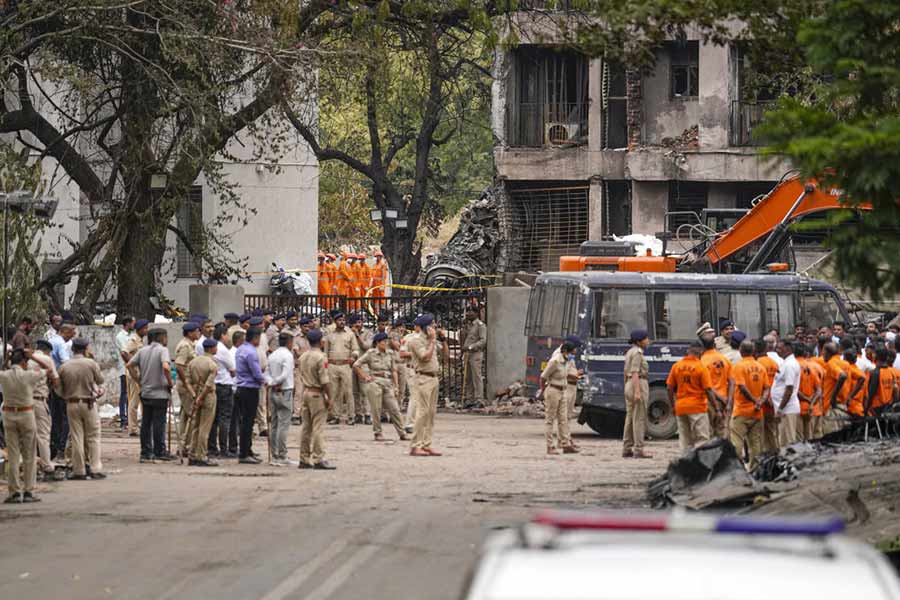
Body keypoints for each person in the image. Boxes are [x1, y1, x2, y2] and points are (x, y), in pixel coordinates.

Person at [1, 348, 55, 503]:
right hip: (26, 414)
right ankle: (29, 490)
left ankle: (15, 492)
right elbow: (48, 369)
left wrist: (8, 359)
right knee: (29, 454)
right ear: (24, 362)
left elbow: (4, 369)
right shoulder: (29, 375)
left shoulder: (4, 376)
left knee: (13, 454)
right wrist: (34, 357)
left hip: (9, 415)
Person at [57, 338, 106, 480]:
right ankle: (95, 468)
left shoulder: (65, 366)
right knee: (93, 436)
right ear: (85, 348)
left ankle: (79, 470)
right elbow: (100, 380)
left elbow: (58, 388)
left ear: (73, 349)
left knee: (76, 437)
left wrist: (66, 395)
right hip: (89, 403)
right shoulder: (91, 364)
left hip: (71, 403)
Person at [127, 329, 174, 462]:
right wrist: (169, 382)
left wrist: (138, 380)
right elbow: (165, 367)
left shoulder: (143, 350)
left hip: (145, 392)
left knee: (146, 423)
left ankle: (146, 451)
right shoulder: (163, 350)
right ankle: (160, 451)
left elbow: (129, 364)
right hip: (159, 393)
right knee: (159, 423)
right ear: (162, 338)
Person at [354, 332, 408, 442]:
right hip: (375, 382)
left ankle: (402, 433)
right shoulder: (371, 353)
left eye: (386, 341)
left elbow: (394, 371)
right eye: (384, 341)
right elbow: (356, 365)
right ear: (377, 343)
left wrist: (396, 386)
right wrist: (365, 377)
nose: (386, 343)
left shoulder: (390, 353)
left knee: (394, 409)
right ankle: (378, 432)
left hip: (387, 383)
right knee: (376, 409)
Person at [408, 314, 447, 457]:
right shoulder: (416, 341)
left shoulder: (433, 340)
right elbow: (425, 357)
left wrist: (442, 340)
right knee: (422, 412)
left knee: (431, 414)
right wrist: (431, 341)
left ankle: (426, 444)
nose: (435, 326)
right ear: (426, 327)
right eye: (433, 324)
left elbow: (446, 356)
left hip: (434, 378)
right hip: (423, 378)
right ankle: (415, 445)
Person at [667, 341, 714, 451]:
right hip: (698, 407)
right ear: (701, 352)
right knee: (701, 439)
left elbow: (669, 388)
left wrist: (673, 405)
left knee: (685, 440)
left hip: (681, 407)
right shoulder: (701, 367)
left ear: (688, 351)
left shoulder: (676, 366)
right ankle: (700, 464)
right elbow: (708, 390)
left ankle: (686, 463)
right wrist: (716, 408)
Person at [728, 340, 768, 470]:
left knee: (737, 442)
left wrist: (755, 401)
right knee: (756, 444)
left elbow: (742, 387)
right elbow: (767, 388)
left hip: (742, 411)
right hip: (757, 412)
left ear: (740, 351)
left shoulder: (739, 367)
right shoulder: (760, 367)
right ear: (753, 351)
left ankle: (738, 470)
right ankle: (754, 470)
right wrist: (760, 402)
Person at [298, 329, 335, 470]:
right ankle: (319, 458)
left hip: (306, 391)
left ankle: (304, 458)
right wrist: (330, 397)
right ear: (321, 341)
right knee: (318, 428)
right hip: (317, 393)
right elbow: (324, 381)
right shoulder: (321, 357)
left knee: (306, 427)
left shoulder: (303, 356)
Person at [539, 339, 580, 456]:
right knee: (550, 420)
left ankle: (565, 443)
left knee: (563, 419)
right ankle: (549, 446)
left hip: (563, 391)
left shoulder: (566, 361)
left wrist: (577, 376)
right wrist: (543, 391)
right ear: (565, 351)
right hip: (553, 390)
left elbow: (566, 374)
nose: (573, 355)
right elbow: (543, 377)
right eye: (572, 353)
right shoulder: (555, 361)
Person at [235, 327, 268, 464]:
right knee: (247, 423)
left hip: (241, 387)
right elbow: (256, 373)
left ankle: (247, 450)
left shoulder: (241, 349)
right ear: (255, 338)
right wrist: (265, 381)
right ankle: (244, 453)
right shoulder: (251, 352)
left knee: (246, 421)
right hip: (250, 388)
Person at [29, 340, 59, 479]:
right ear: (47, 350)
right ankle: (47, 465)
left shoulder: (26, 360)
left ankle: (31, 465)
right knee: (43, 434)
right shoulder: (46, 359)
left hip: (25, 402)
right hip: (40, 400)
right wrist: (49, 389)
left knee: (28, 435)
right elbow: (55, 380)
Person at [697, 322, 733, 439]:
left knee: (709, 432)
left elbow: (707, 386)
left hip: (709, 401)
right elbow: (732, 381)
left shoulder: (702, 362)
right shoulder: (724, 359)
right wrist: (727, 400)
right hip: (724, 400)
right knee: (721, 432)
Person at [186, 338, 219, 467]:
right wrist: (201, 397)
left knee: (195, 426)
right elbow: (209, 385)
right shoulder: (212, 364)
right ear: (211, 348)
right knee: (205, 428)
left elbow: (187, 381)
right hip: (207, 397)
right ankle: (201, 456)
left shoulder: (193, 362)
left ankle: (192, 454)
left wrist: (194, 396)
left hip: (195, 394)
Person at [323, 312, 358, 425]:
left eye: (343, 320)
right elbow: (325, 352)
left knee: (348, 391)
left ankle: (351, 416)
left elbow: (355, 349)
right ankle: (335, 416)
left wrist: (353, 357)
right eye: (339, 320)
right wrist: (326, 366)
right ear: (335, 321)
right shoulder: (329, 335)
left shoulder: (350, 334)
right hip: (332, 365)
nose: (342, 322)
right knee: (333, 392)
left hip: (345, 365)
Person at [267, 332, 296, 465]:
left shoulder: (273, 355)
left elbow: (266, 372)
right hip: (285, 390)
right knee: (283, 425)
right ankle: (282, 455)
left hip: (273, 390)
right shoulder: (288, 355)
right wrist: (277, 381)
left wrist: (272, 382)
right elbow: (286, 373)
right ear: (289, 342)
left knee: (274, 423)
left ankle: (274, 454)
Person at [48, 322, 76, 459]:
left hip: (52, 382)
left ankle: (53, 445)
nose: (74, 335)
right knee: (65, 416)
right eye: (72, 332)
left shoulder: (51, 340)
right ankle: (60, 447)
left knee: (55, 416)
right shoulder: (61, 344)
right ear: (65, 332)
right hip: (61, 382)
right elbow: (66, 362)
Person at [622, 329, 651, 459]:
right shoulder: (638, 353)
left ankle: (627, 447)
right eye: (645, 339)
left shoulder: (629, 352)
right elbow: (635, 372)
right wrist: (638, 391)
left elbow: (625, 371)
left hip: (629, 385)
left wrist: (627, 387)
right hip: (637, 383)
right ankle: (638, 449)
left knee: (629, 418)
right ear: (639, 342)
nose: (648, 341)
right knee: (639, 418)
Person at [208, 323, 236, 458]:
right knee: (224, 418)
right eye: (227, 335)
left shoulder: (212, 348)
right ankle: (224, 448)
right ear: (223, 335)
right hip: (224, 385)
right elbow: (232, 369)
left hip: (214, 385)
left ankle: (212, 447)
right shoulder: (223, 349)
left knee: (213, 418)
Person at [175, 322, 201, 457]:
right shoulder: (185, 346)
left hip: (188, 383)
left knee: (185, 416)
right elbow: (179, 365)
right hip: (186, 385)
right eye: (197, 331)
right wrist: (186, 382)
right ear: (190, 333)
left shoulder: (190, 344)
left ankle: (183, 445)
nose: (199, 333)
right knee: (193, 414)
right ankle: (187, 445)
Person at [122, 318, 150, 437]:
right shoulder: (133, 340)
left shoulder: (141, 341)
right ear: (140, 329)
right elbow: (124, 352)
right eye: (145, 328)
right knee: (134, 402)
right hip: (134, 375)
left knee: (143, 400)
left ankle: (143, 425)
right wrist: (132, 365)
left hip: (141, 374)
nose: (147, 331)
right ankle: (133, 428)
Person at [772, 340, 802, 447]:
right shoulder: (785, 363)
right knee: (783, 441)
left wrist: (780, 409)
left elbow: (789, 389)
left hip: (787, 409)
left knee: (789, 442)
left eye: (780, 348)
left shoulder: (790, 365)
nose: (777, 351)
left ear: (788, 349)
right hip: (784, 409)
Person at [756, 336, 781, 453]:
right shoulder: (775, 363)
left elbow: (759, 384)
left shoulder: (757, 364)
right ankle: (775, 453)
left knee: (761, 434)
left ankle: (766, 455)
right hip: (774, 402)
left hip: (762, 403)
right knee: (772, 431)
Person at [460, 305, 487, 408]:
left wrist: (471, 347)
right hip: (467, 354)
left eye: (470, 312)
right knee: (468, 377)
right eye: (467, 312)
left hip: (475, 353)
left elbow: (483, 340)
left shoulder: (480, 325)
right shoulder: (468, 325)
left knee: (477, 376)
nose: (468, 314)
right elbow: (464, 338)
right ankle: (469, 398)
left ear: (476, 313)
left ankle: (479, 399)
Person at [820, 342, 848, 437]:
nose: (822, 354)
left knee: (831, 437)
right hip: (843, 405)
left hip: (832, 407)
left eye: (823, 351)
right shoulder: (845, 363)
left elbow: (842, 376)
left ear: (827, 352)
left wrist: (833, 397)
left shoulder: (831, 363)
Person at [796, 345, 822, 440]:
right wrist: (811, 402)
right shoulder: (815, 366)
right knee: (812, 439)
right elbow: (819, 390)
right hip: (814, 408)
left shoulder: (793, 366)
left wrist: (806, 399)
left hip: (798, 408)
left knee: (799, 439)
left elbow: (794, 389)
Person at [115, 316, 135, 432]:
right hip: (125, 368)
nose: (134, 325)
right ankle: (123, 419)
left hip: (132, 367)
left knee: (131, 394)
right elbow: (125, 351)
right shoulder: (120, 336)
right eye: (133, 323)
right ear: (127, 324)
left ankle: (130, 418)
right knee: (124, 394)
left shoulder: (131, 335)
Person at [227, 330, 245, 456]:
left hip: (236, 387)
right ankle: (233, 446)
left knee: (237, 419)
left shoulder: (234, 352)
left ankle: (234, 445)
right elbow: (235, 371)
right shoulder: (234, 353)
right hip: (234, 388)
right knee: (234, 419)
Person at [843, 350, 866, 418]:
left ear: (845, 359)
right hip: (860, 408)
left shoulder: (848, 371)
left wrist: (850, 397)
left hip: (850, 408)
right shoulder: (861, 372)